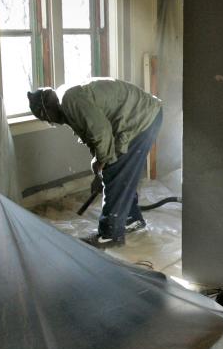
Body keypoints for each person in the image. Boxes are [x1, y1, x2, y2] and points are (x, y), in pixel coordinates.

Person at [28, 78, 163, 247]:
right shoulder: (65, 102)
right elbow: (92, 135)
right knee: (120, 172)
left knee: (116, 172)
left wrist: (103, 170)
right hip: (140, 117)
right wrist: (98, 165)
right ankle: (131, 219)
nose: (52, 123)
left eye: (48, 119)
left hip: (142, 118)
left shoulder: (70, 100)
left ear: (47, 109)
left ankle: (110, 235)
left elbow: (101, 133)